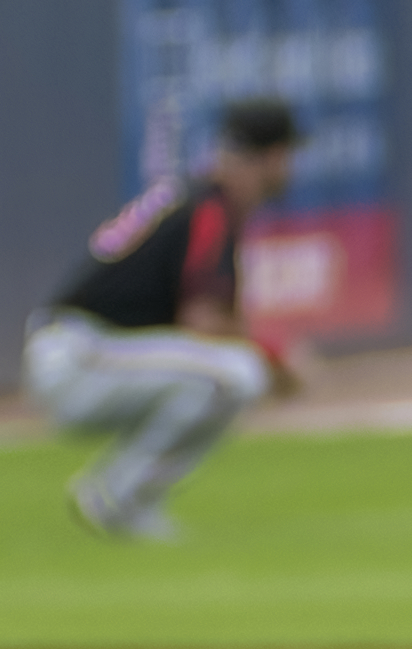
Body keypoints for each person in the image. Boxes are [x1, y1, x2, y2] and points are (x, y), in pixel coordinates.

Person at [26, 96, 302, 540]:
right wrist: (275, 356)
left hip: (93, 354)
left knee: (220, 379)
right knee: (238, 374)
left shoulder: (197, 202)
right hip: (79, 354)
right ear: (270, 156)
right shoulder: (208, 210)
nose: (290, 169)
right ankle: (117, 495)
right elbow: (203, 322)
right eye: (288, 156)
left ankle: (128, 503)